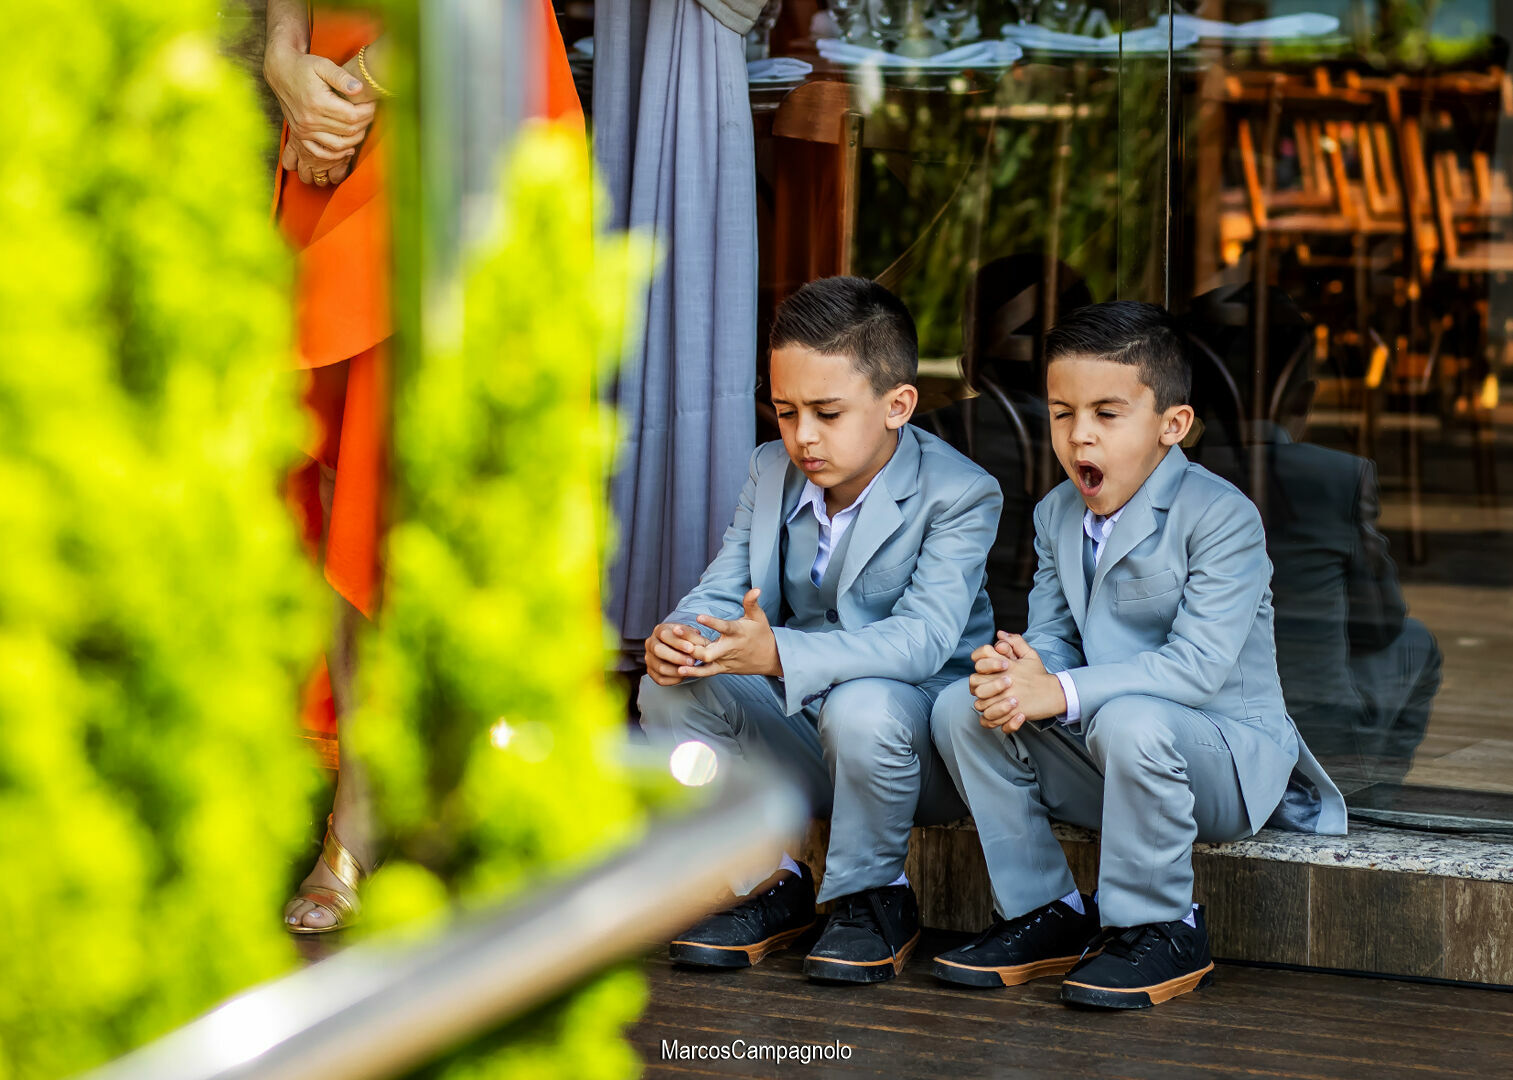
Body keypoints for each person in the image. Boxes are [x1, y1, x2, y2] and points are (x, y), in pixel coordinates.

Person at [928, 301, 1345, 1008]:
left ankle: (1162, 926)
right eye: (1062, 413)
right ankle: (1045, 910)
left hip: (1222, 761)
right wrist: (1024, 672)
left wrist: (1060, 691)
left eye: (1106, 414)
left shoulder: (1222, 516)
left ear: (1171, 425)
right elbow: (1056, 635)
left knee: (1131, 720)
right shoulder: (1056, 513)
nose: (1078, 435)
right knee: (961, 708)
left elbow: (1196, 667)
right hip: (1114, 752)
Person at [266, 1, 582, 933]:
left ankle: (481, 802)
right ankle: (358, 809)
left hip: (463, 92)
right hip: (328, 89)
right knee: (335, 466)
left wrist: (358, 87)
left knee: (456, 462)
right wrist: (286, 59)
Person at [638, 277, 1002, 983]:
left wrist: (778, 651)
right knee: (671, 689)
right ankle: (765, 883)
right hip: (810, 734)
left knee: (862, 703)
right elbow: (721, 587)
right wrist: (679, 637)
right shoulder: (769, 469)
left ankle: (874, 897)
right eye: (785, 411)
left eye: (827, 413)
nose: (802, 436)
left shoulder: (961, 492)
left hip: (914, 751)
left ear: (898, 405)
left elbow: (922, 641)